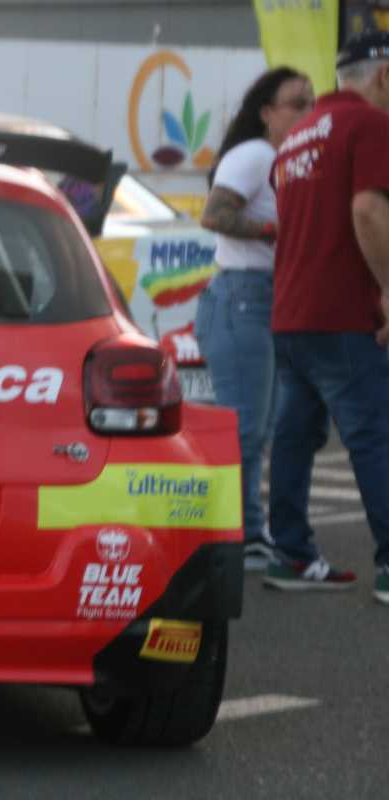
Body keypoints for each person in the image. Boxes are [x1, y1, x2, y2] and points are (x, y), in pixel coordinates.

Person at [263, 30, 389, 600]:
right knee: (373, 434)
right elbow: (367, 210)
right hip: (342, 314)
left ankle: (290, 553)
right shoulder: (369, 125)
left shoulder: (297, 137)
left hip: (292, 315)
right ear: (383, 76)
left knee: (295, 435)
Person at [193, 66, 314, 572]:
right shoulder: (257, 155)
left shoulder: (284, 159)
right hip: (243, 298)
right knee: (244, 429)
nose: (308, 113)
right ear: (267, 112)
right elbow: (214, 215)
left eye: (312, 103)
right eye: (297, 104)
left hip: (261, 299)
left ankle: (247, 532)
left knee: (256, 429)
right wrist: (276, 230)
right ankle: (236, 536)